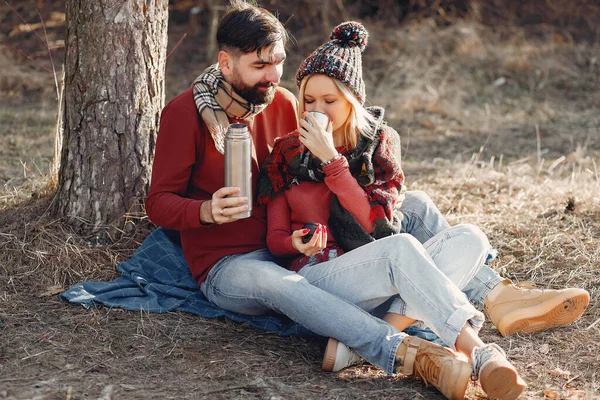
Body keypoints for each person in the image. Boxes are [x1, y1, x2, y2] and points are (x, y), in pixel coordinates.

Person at [257, 19, 589, 376]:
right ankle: (480, 353)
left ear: (353, 102)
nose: (317, 110)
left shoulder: (377, 145)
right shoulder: (286, 153)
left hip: (372, 277)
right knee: (403, 246)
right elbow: (275, 241)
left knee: (470, 238)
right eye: (308, 100)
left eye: (330, 100)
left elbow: (376, 224)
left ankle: (371, 338)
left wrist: (333, 162)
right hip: (318, 284)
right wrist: (294, 243)